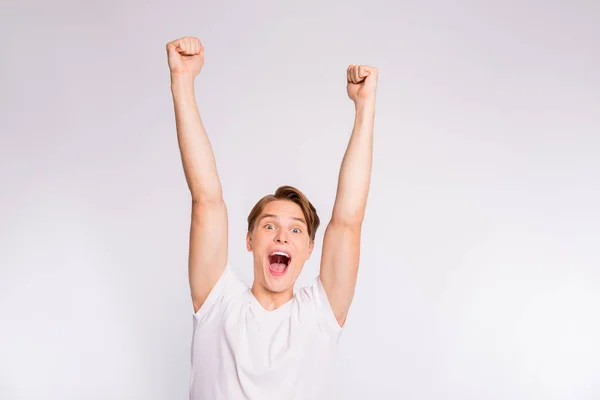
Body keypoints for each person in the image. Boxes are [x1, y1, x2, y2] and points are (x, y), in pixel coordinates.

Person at [166, 36, 377, 400]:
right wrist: (182, 82)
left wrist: (365, 107)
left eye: (295, 229)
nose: (282, 236)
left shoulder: (319, 317)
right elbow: (206, 199)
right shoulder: (219, 304)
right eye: (269, 226)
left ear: (311, 248)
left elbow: (347, 220)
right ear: (250, 241)